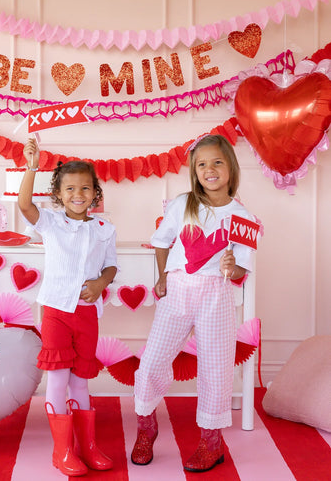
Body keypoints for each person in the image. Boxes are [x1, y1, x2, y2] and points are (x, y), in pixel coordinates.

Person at [131, 134, 259, 473]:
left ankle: (211, 442)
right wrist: (163, 276)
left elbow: (242, 267)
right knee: (151, 361)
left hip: (216, 295)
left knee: (216, 367)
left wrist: (233, 267)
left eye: (217, 162)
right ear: (194, 170)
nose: (209, 169)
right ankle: (146, 427)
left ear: (230, 168)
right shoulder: (183, 204)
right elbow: (161, 242)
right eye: (202, 164)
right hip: (178, 290)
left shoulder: (243, 217)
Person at [18, 138, 118, 477]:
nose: (78, 194)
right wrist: (32, 167)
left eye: (85, 188)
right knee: (59, 379)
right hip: (57, 313)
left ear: (95, 193)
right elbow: (24, 204)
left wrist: (101, 283)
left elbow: (111, 266)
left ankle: (87, 447)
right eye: (70, 188)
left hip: (87, 315)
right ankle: (62, 451)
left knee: (81, 382)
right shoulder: (50, 222)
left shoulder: (105, 229)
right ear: (58, 195)